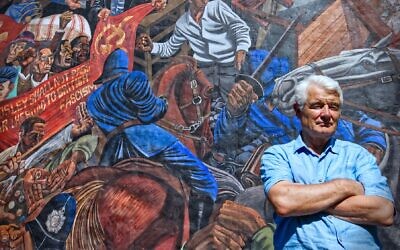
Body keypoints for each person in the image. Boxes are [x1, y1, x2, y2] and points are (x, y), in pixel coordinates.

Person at [86, 48, 218, 235]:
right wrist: (162, 103)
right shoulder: (134, 80)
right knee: (205, 179)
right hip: (146, 138)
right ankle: (196, 234)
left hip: (114, 148)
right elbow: (150, 113)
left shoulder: (93, 99)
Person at [260, 75, 394, 249]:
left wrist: (305, 201)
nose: (326, 114)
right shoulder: (278, 155)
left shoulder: (359, 155)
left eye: (333, 107)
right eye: (316, 106)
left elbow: (384, 212)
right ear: (298, 110)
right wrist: (345, 187)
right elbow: (285, 202)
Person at [136, 0, 251, 104]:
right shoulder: (182, 24)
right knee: (195, 102)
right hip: (204, 70)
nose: (206, 1)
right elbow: (169, 48)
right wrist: (152, 47)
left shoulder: (216, 7)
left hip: (228, 64)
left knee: (233, 100)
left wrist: (241, 48)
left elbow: (240, 27)